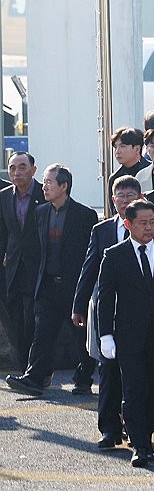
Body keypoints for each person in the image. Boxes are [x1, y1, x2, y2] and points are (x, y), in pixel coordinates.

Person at [95, 199, 154, 468]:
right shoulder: (114, 255)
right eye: (142, 223)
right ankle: (141, 445)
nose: (149, 228)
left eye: (152, 223)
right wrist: (106, 335)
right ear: (128, 224)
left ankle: (145, 434)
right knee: (134, 390)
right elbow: (105, 298)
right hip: (128, 336)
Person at [4, 165, 99, 398]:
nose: (44, 186)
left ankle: (84, 378)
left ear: (64, 186)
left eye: (49, 182)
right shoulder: (42, 212)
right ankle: (33, 378)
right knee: (42, 334)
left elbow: (89, 255)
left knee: (80, 337)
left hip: (74, 286)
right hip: (47, 285)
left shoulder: (85, 215)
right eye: (44, 182)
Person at [70, 176, 141, 448]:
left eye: (130, 195)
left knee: (137, 375)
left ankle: (137, 429)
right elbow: (89, 269)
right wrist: (78, 306)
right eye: (120, 196)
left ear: (141, 197)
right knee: (108, 371)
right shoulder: (101, 230)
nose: (125, 200)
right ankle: (109, 429)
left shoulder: (153, 227)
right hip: (106, 312)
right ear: (113, 201)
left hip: (139, 312)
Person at [0, 151, 44, 375]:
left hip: (39, 267)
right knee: (15, 319)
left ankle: (34, 367)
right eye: (12, 168)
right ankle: (24, 363)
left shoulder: (44, 194)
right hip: (13, 267)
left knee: (32, 319)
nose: (17, 172)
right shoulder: (4, 196)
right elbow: (4, 233)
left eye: (22, 167)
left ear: (33, 170)